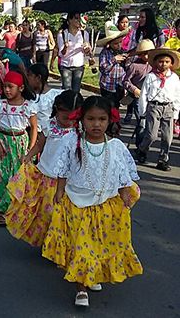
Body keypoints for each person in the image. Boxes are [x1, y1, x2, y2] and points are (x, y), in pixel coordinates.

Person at [42, 96, 142, 307]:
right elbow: (63, 168)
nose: (96, 124)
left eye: (102, 119)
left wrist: (125, 194)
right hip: (77, 204)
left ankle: (92, 274)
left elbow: (122, 173)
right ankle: (81, 289)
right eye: (91, 119)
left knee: (98, 244)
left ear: (110, 121)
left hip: (105, 205)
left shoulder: (115, 146)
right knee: (81, 247)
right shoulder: (73, 141)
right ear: (82, 119)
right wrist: (59, 191)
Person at [5, 90, 83, 246]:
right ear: (57, 109)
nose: (68, 121)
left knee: (63, 217)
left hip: (68, 182)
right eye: (64, 117)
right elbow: (40, 144)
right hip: (46, 178)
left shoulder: (80, 130)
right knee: (46, 214)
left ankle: (59, 246)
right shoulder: (49, 125)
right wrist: (29, 156)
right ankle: (48, 242)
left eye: (72, 118)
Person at [0, 71, 37, 225]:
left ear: (21, 88)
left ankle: (17, 209)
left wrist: (30, 151)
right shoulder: (1, 105)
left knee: (19, 176)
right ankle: (3, 210)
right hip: (5, 142)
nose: (7, 90)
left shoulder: (28, 106)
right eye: (5, 87)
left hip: (21, 142)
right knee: (4, 176)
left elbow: (34, 129)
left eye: (11, 87)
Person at [135, 48, 180, 171]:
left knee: (167, 136)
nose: (163, 64)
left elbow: (177, 96)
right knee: (151, 135)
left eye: (166, 61)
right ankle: (142, 150)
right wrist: (142, 111)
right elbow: (144, 94)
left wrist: (176, 113)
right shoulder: (150, 77)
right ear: (155, 63)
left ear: (171, 64)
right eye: (160, 61)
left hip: (169, 107)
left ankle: (163, 159)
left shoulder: (174, 78)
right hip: (154, 106)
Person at [97, 23, 130, 108]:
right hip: (108, 85)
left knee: (116, 106)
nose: (119, 45)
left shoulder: (122, 52)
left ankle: (116, 120)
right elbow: (103, 68)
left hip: (120, 85)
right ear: (109, 43)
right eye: (116, 43)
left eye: (120, 42)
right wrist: (114, 60)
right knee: (108, 107)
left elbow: (126, 69)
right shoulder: (105, 53)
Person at [56, 13, 91, 93]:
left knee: (76, 91)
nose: (79, 20)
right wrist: (65, 47)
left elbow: (87, 52)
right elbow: (61, 54)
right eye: (76, 18)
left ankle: (75, 105)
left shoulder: (84, 34)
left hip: (79, 66)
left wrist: (87, 48)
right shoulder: (62, 34)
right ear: (69, 21)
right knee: (67, 90)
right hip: (66, 66)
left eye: (79, 18)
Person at [122, 40, 154, 126]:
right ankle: (140, 137)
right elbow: (125, 81)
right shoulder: (134, 66)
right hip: (138, 95)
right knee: (141, 121)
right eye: (143, 53)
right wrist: (134, 89)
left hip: (151, 96)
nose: (146, 56)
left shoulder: (155, 64)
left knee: (150, 121)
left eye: (148, 53)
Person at [26, 63, 63, 131]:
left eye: (29, 75)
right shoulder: (27, 95)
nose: (27, 78)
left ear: (38, 78)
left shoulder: (56, 95)